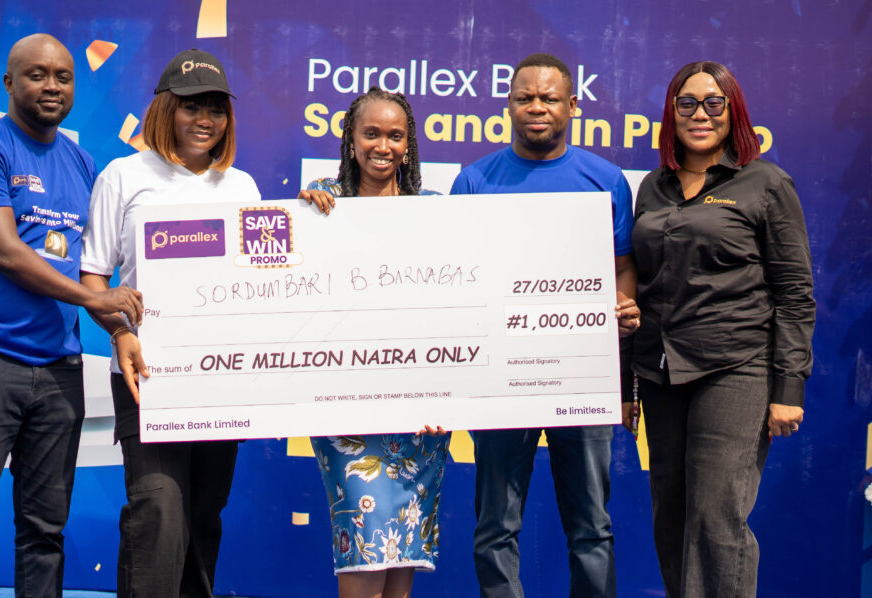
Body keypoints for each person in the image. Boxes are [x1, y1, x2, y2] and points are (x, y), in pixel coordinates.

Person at [0, 34, 143, 598]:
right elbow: (5, 252)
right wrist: (96, 301)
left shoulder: (81, 162)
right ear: (9, 82)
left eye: (63, 77)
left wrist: (118, 326)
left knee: (45, 532)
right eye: (37, 74)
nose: (52, 86)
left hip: (58, 372)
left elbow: (89, 267)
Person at [449, 53, 640, 598]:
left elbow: (622, 267)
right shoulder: (474, 180)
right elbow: (454, 276)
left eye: (549, 98)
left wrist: (622, 307)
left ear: (572, 105)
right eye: (525, 97)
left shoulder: (604, 180)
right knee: (495, 526)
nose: (537, 107)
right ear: (508, 105)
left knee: (592, 526)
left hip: (581, 375)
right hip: (500, 378)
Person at [79, 48, 260, 598]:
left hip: (221, 379)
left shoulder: (242, 186)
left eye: (216, 108)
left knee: (204, 514)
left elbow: (266, 277)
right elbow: (93, 277)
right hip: (147, 376)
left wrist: (304, 213)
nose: (205, 119)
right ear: (165, 108)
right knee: (158, 511)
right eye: (191, 106)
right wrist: (120, 331)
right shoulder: (124, 175)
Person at [630, 61, 814, 598]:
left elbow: (795, 292)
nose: (700, 114)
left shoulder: (765, 183)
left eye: (714, 103)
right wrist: (625, 382)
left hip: (735, 367)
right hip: (661, 370)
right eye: (687, 103)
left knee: (716, 516)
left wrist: (788, 389)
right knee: (671, 513)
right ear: (671, 113)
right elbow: (640, 286)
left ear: (734, 113)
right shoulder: (654, 187)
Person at [298, 87, 450, 598]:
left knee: (403, 547)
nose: (383, 146)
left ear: (408, 144)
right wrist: (301, 217)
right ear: (350, 139)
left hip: (418, 411)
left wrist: (447, 393)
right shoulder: (323, 200)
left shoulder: (433, 210)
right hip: (347, 409)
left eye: (395, 135)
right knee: (364, 545)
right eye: (371, 134)